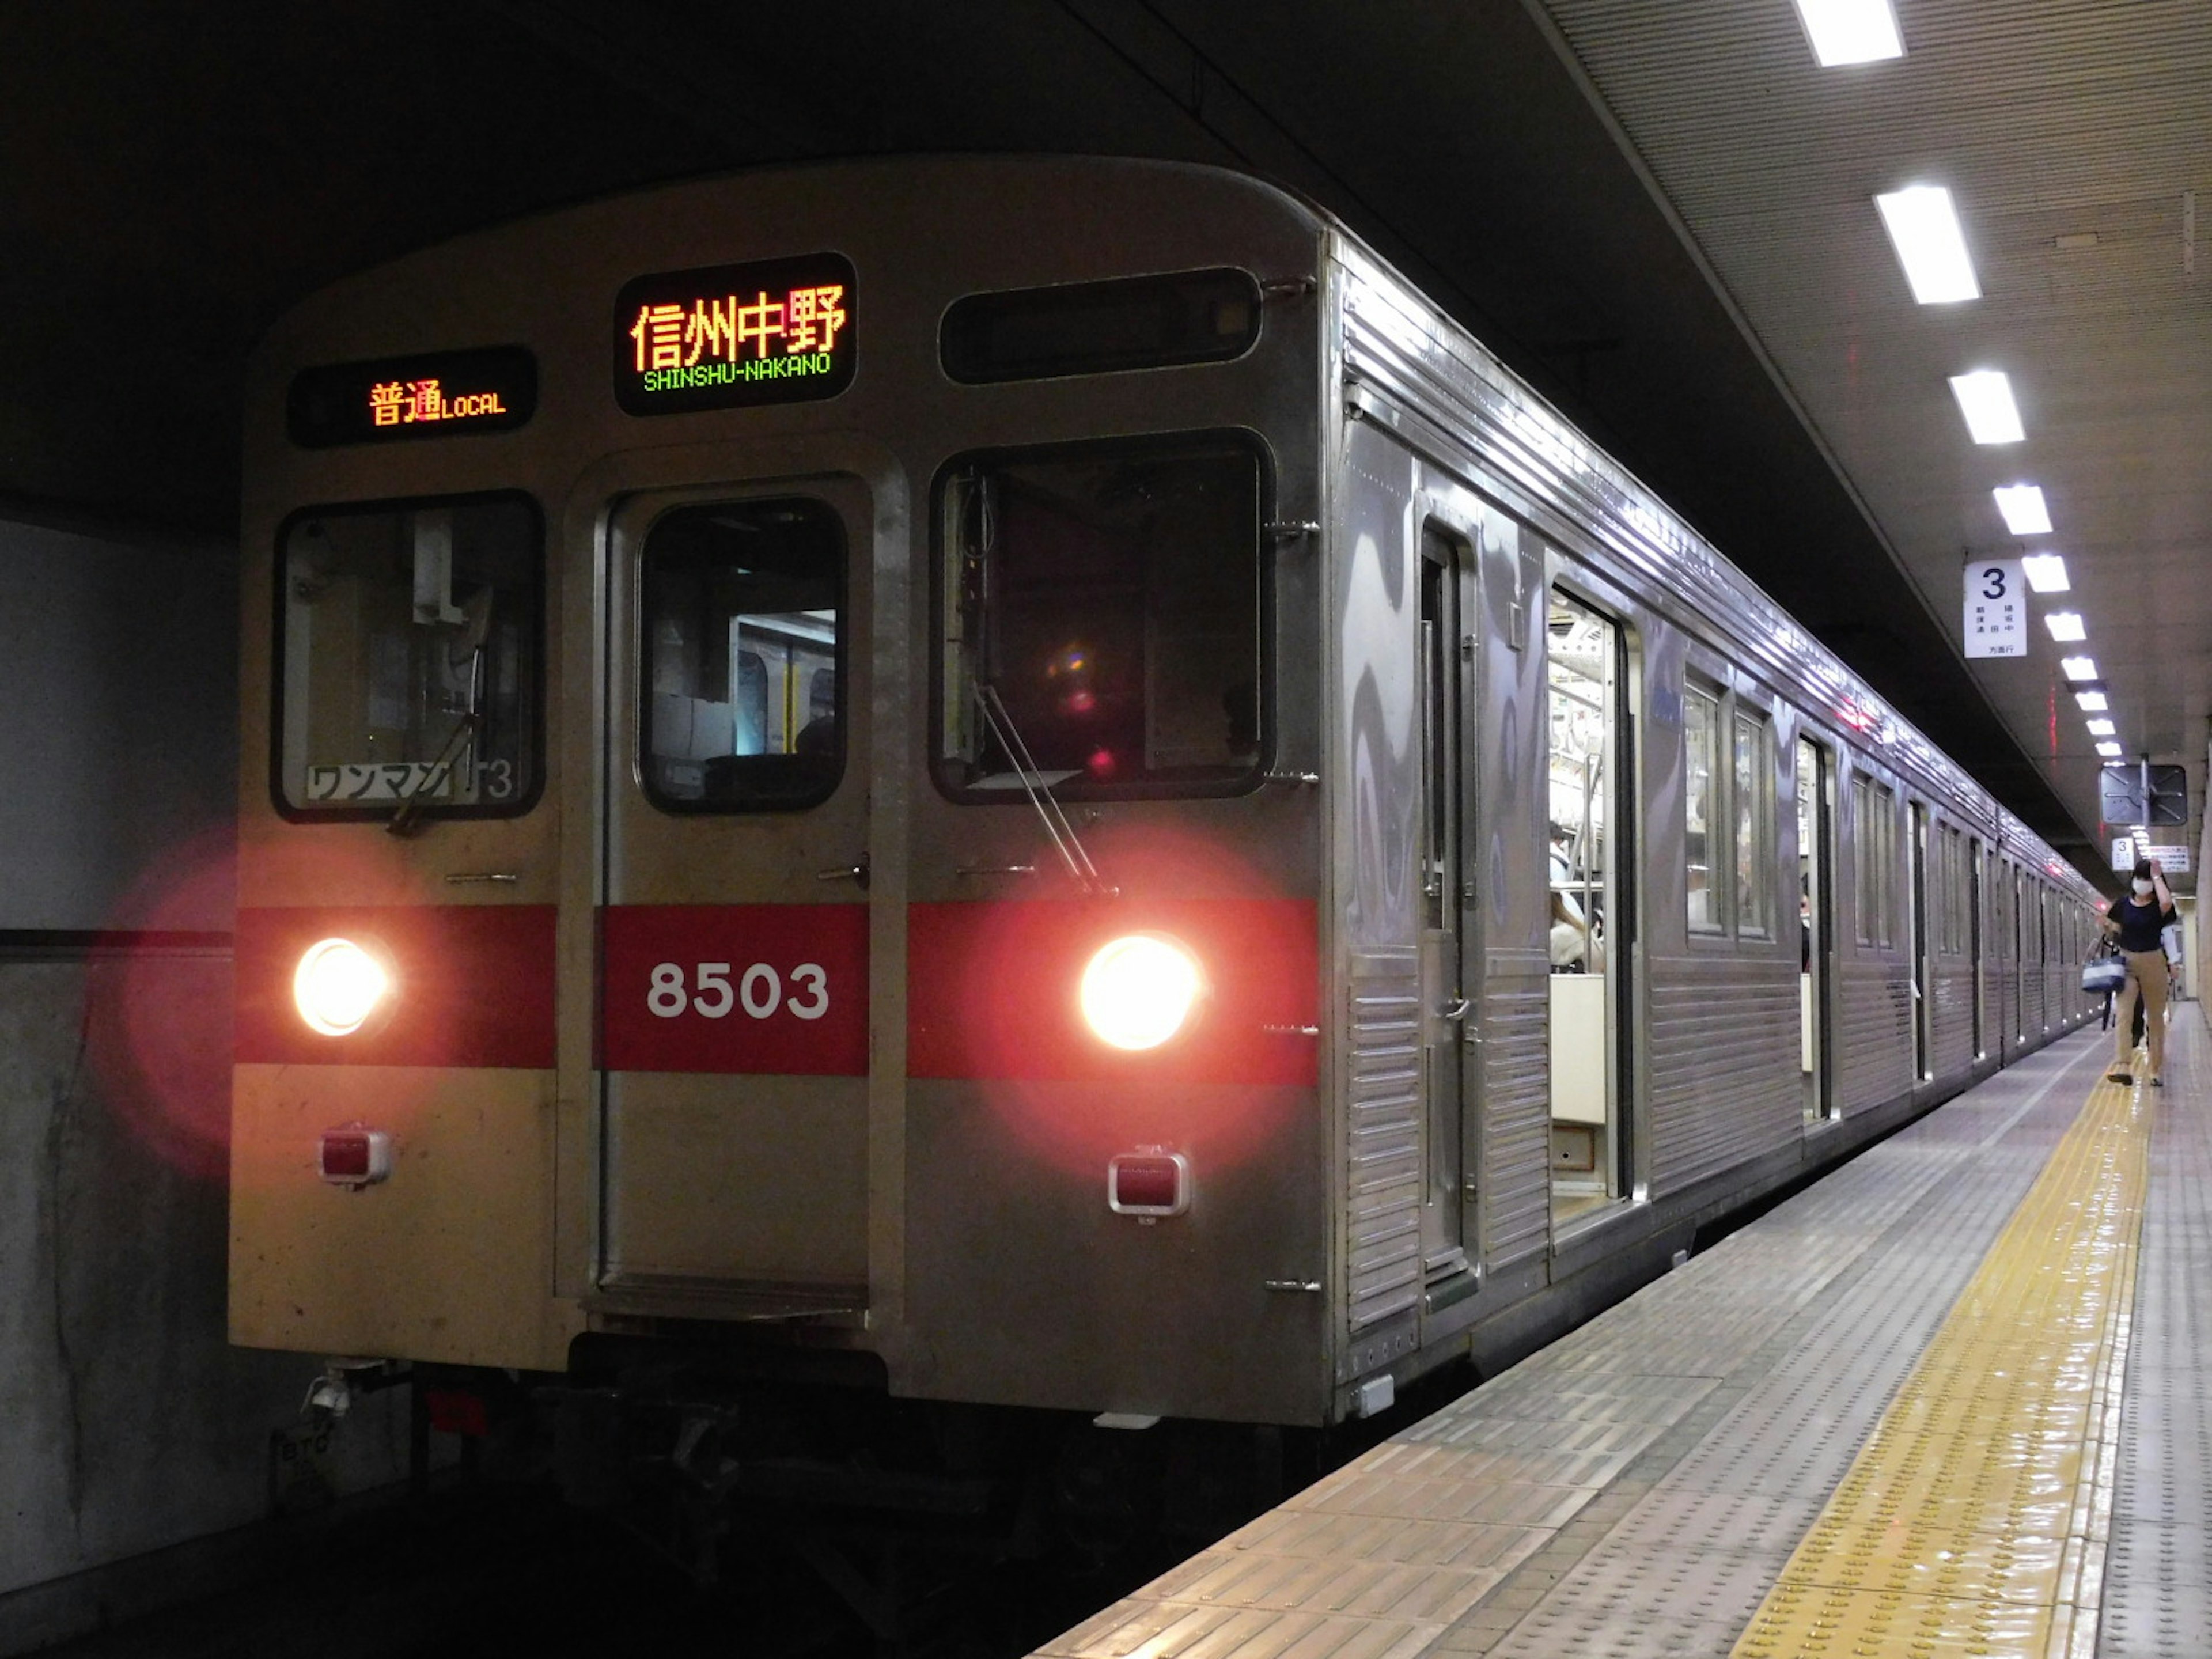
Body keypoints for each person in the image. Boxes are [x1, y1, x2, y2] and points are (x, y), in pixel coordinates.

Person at [2101, 857, 2177, 1086]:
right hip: (2127, 962)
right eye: (2139, 878)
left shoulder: (2158, 907)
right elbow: (2111, 925)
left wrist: (2157, 876)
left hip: (2154, 962)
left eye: (2146, 880)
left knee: (2155, 1018)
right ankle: (2123, 1065)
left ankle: (2155, 1069)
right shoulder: (2123, 905)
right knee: (2124, 1014)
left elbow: (2166, 902)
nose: (2141, 883)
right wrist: (2106, 926)